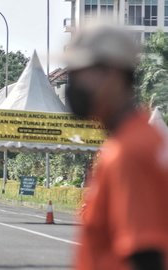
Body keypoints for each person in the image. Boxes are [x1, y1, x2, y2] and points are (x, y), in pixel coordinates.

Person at [65, 25, 168, 270]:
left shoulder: (127, 152)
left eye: (80, 74)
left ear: (111, 73)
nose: (73, 85)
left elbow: (146, 256)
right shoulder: (144, 138)